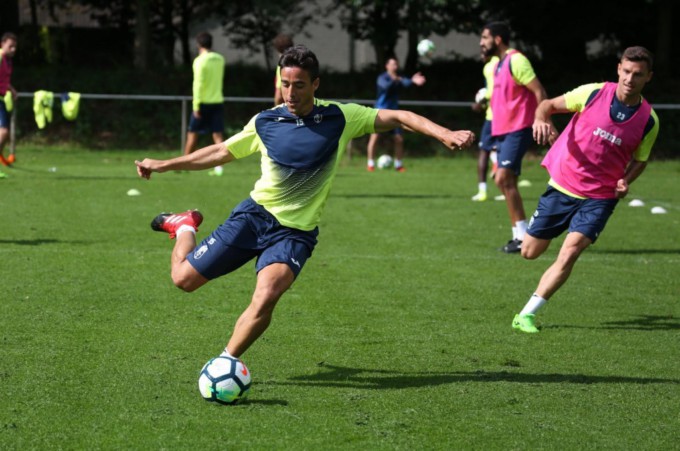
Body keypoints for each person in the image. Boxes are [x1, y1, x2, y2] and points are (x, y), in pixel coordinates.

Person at [135, 45, 475, 360]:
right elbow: (220, 151)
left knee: (267, 294)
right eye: (285, 84)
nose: (290, 92)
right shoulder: (266, 121)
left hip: (295, 234)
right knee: (183, 280)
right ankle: (183, 227)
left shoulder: (340, 117)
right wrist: (164, 164)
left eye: (299, 85)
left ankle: (227, 362)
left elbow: (398, 117)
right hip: (254, 217)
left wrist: (444, 133)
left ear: (315, 84)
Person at [512, 46, 659, 333]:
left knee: (571, 251)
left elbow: (641, 160)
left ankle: (526, 315)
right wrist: (541, 119)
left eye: (638, 74)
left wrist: (626, 179)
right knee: (529, 252)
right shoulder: (592, 93)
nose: (630, 79)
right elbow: (547, 104)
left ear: (648, 77)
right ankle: (549, 228)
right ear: (619, 69)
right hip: (563, 185)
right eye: (627, 71)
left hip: (600, 196)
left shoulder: (649, 120)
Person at [480, 22, 547, 252]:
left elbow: (539, 91)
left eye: (485, 37)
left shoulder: (516, 60)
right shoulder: (496, 64)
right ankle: (520, 235)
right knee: (505, 181)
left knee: (502, 178)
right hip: (502, 132)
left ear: (498, 39)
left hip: (518, 129)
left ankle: (524, 236)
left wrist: (543, 120)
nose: (481, 42)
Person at [366, 57, 426, 172]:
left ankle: (398, 165)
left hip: (394, 113)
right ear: (387, 66)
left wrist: (412, 80)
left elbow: (406, 83)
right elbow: (385, 87)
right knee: (374, 137)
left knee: (398, 139)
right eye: (392, 64)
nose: (395, 67)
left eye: (396, 65)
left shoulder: (397, 78)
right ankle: (370, 164)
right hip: (380, 112)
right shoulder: (382, 78)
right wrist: (395, 79)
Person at [184, 32, 225, 176]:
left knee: (192, 133)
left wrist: (196, 106)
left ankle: (184, 163)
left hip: (202, 102)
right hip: (217, 101)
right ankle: (219, 167)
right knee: (217, 135)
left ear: (198, 45)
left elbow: (198, 84)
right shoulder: (220, 59)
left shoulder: (200, 61)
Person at [470, 52, 499, 202]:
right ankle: (506, 188)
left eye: (482, 49)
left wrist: (481, 101)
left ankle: (482, 191)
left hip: (493, 118)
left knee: (484, 151)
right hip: (507, 118)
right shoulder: (505, 60)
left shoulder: (491, 65)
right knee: (500, 153)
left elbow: (494, 91)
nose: (480, 54)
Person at [0, 32, 18, 177]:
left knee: (4, 134)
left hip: (1, 98)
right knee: (4, 132)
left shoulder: (8, 61)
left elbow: (3, 80)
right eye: (10, 46)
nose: (13, 49)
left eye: (15, 47)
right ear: (2, 44)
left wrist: (11, 89)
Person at [272, 33, 294, 106]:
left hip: (287, 110)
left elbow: (279, 96)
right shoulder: (299, 64)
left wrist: (276, 112)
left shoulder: (282, 66)